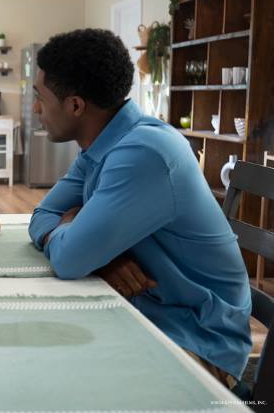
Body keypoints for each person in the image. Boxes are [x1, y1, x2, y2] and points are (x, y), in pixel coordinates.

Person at [27, 28, 251, 389]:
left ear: (75, 105)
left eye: (40, 97)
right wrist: (100, 256)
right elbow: (41, 216)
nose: (36, 108)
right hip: (147, 309)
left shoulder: (143, 153)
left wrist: (84, 246)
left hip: (197, 339)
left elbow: (69, 260)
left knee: (47, 377)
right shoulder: (101, 144)